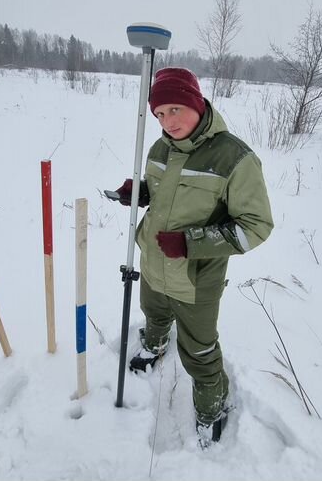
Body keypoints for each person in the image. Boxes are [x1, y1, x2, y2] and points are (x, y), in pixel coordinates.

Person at [111, 67, 273, 447]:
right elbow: (162, 192)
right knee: (153, 311)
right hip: (152, 262)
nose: (168, 122)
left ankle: (211, 406)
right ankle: (154, 343)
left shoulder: (234, 157)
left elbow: (256, 226)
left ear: (196, 103)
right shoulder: (159, 148)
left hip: (196, 279)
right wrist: (139, 193)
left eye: (175, 109)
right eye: (160, 114)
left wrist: (191, 243)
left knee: (200, 350)